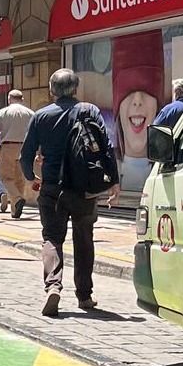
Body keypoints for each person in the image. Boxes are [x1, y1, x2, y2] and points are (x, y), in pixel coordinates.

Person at [21, 68, 119, 317]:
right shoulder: (90, 110)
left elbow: (26, 154)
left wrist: (32, 177)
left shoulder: (41, 116)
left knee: (52, 238)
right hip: (84, 189)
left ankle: (53, 285)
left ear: (52, 90)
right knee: (84, 239)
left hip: (52, 187)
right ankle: (84, 296)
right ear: (75, 89)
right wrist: (113, 181)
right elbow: (106, 146)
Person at [0, 90, 36, 219]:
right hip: (25, 147)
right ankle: (15, 210)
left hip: (8, 146)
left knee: (6, 177)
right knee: (19, 179)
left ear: (9, 99)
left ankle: (17, 199)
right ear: (22, 99)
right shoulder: (31, 113)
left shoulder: (3, 112)